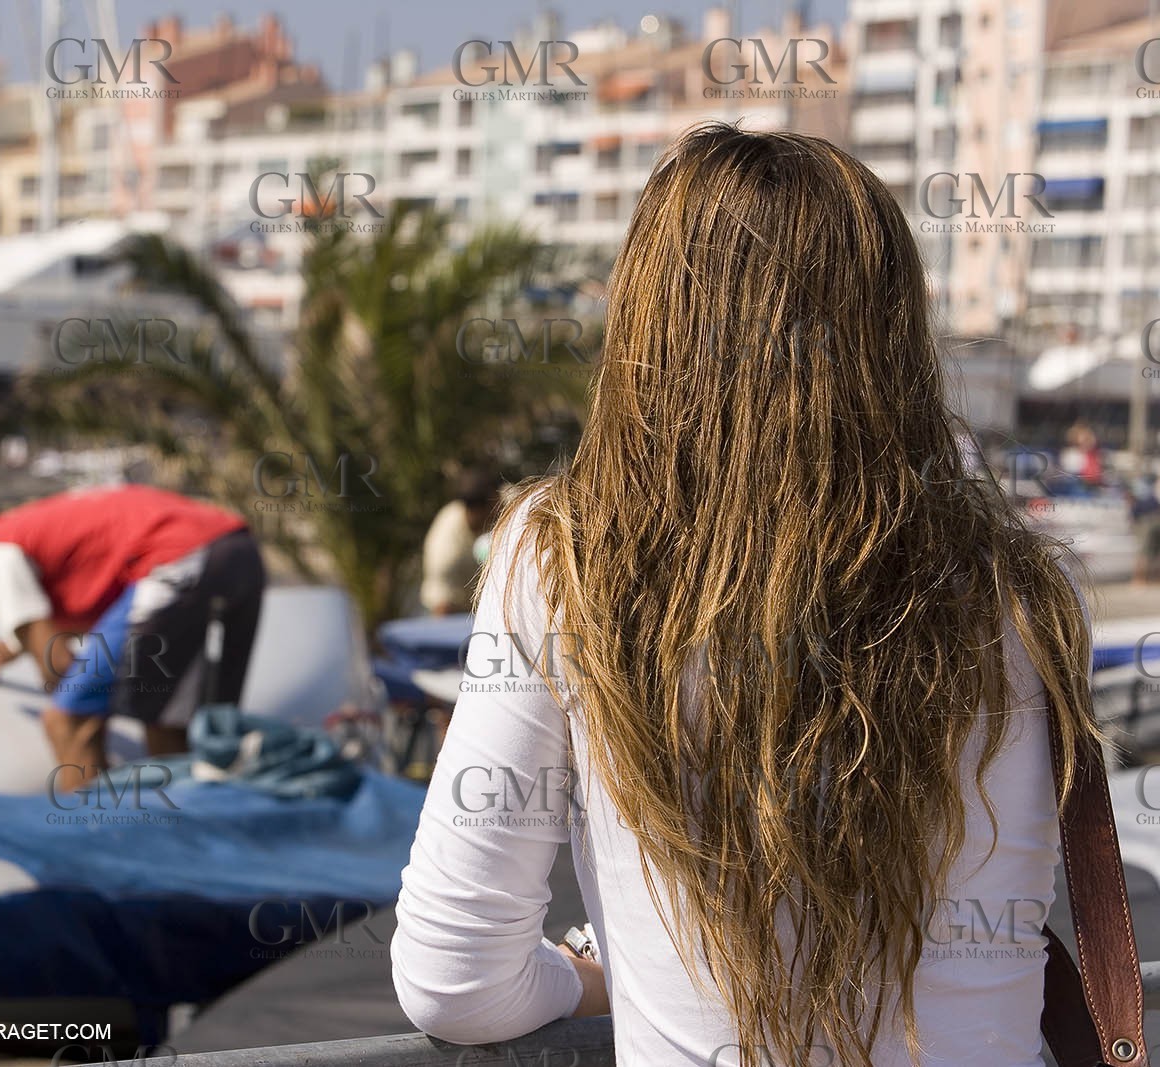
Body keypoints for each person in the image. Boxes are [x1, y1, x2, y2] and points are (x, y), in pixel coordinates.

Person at [391, 124, 1102, 1066]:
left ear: (649, 326)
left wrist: (585, 973)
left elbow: (454, 980)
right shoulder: (1022, 590)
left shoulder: (567, 558)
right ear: (896, 331)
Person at [0, 484, 265, 788]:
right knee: (175, 720)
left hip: (178, 558)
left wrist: (71, 695)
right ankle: (190, 827)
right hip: (236, 551)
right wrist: (15, 643)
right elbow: (101, 621)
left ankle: (96, 839)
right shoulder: (18, 537)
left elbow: (57, 660)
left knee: (68, 720)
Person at [419, 470, 500, 615]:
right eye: (497, 502)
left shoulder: (511, 506)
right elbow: (441, 609)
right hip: (456, 615)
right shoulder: (445, 547)